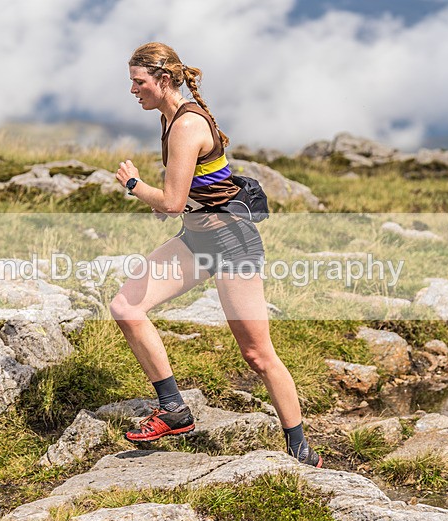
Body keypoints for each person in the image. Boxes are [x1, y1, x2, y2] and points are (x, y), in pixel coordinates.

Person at [110, 42, 322, 467]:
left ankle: (301, 449)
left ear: (164, 80)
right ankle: (174, 410)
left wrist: (135, 187)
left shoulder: (187, 125)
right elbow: (187, 194)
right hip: (196, 240)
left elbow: (170, 200)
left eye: (138, 82)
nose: (132, 90)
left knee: (258, 355)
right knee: (126, 308)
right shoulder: (169, 119)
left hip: (232, 244)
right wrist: (174, 204)